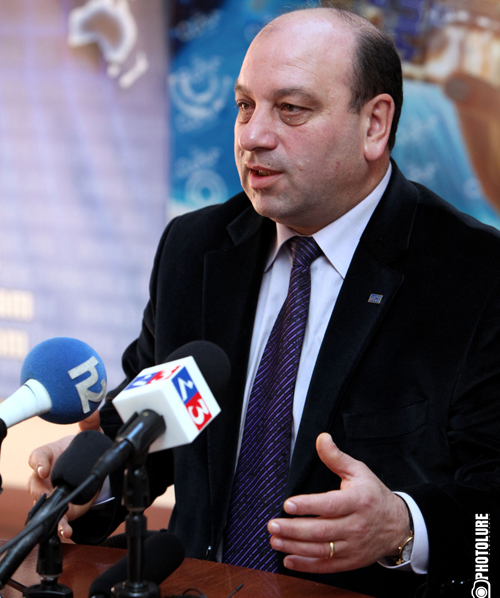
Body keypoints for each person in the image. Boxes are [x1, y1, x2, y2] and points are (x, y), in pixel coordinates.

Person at [28, 6, 500, 598]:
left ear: (375, 125)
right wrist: (91, 478)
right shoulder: (194, 249)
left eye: (291, 109)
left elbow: (489, 514)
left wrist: (405, 527)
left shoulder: (476, 275)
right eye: (245, 105)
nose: (252, 135)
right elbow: (158, 432)